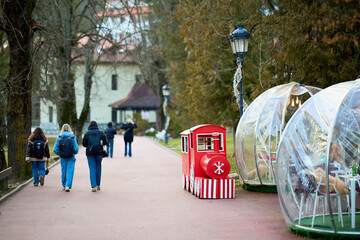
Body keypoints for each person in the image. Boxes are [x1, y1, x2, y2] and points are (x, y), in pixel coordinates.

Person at [53, 124, 79, 192]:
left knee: (63, 170)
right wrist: (74, 153)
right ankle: (68, 185)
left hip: (63, 157)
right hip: (71, 156)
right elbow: (76, 149)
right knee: (70, 170)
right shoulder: (72, 137)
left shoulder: (59, 137)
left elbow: (55, 149)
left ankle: (64, 185)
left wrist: (60, 153)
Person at [82, 121, 107, 192]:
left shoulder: (87, 133)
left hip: (90, 153)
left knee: (92, 168)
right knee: (98, 167)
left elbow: (84, 144)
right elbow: (105, 142)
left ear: (89, 126)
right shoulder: (101, 132)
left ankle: (93, 186)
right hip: (99, 152)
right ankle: (98, 184)